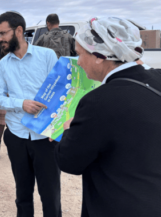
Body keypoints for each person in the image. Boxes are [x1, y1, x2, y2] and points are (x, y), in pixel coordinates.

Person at [55, 17, 161, 217]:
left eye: (79, 54)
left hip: (117, 205)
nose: (78, 62)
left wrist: (69, 129)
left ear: (99, 55)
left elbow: (69, 162)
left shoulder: (98, 101)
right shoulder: (157, 78)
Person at [0, 11, 61, 217]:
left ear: (19, 31)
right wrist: (21, 103)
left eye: (3, 33)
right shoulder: (3, 64)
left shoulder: (47, 56)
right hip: (16, 136)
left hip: (45, 138)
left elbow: (60, 93)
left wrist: (56, 128)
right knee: (22, 194)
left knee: (50, 194)